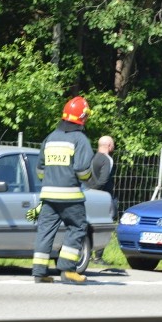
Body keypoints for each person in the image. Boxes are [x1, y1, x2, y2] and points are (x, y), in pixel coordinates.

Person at [30, 96, 94, 284]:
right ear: (82, 118)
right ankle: (68, 271)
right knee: (77, 227)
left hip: (48, 195)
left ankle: (39, 273)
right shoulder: (80, 139)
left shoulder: (50, 138)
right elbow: (82, 171)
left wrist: (51, 179)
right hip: (70, 196)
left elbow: (40, 170)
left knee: (45, 230)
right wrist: (88, 179)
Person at [87, 135, 117, 265]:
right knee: (107, 222)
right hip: (103, 196)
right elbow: (103, 180)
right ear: (109, 146)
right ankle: (98, 257)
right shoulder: (107, 160)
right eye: (113, 144)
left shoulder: (93, 158)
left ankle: (86, 253)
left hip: (89, 195)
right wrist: (96, 191)